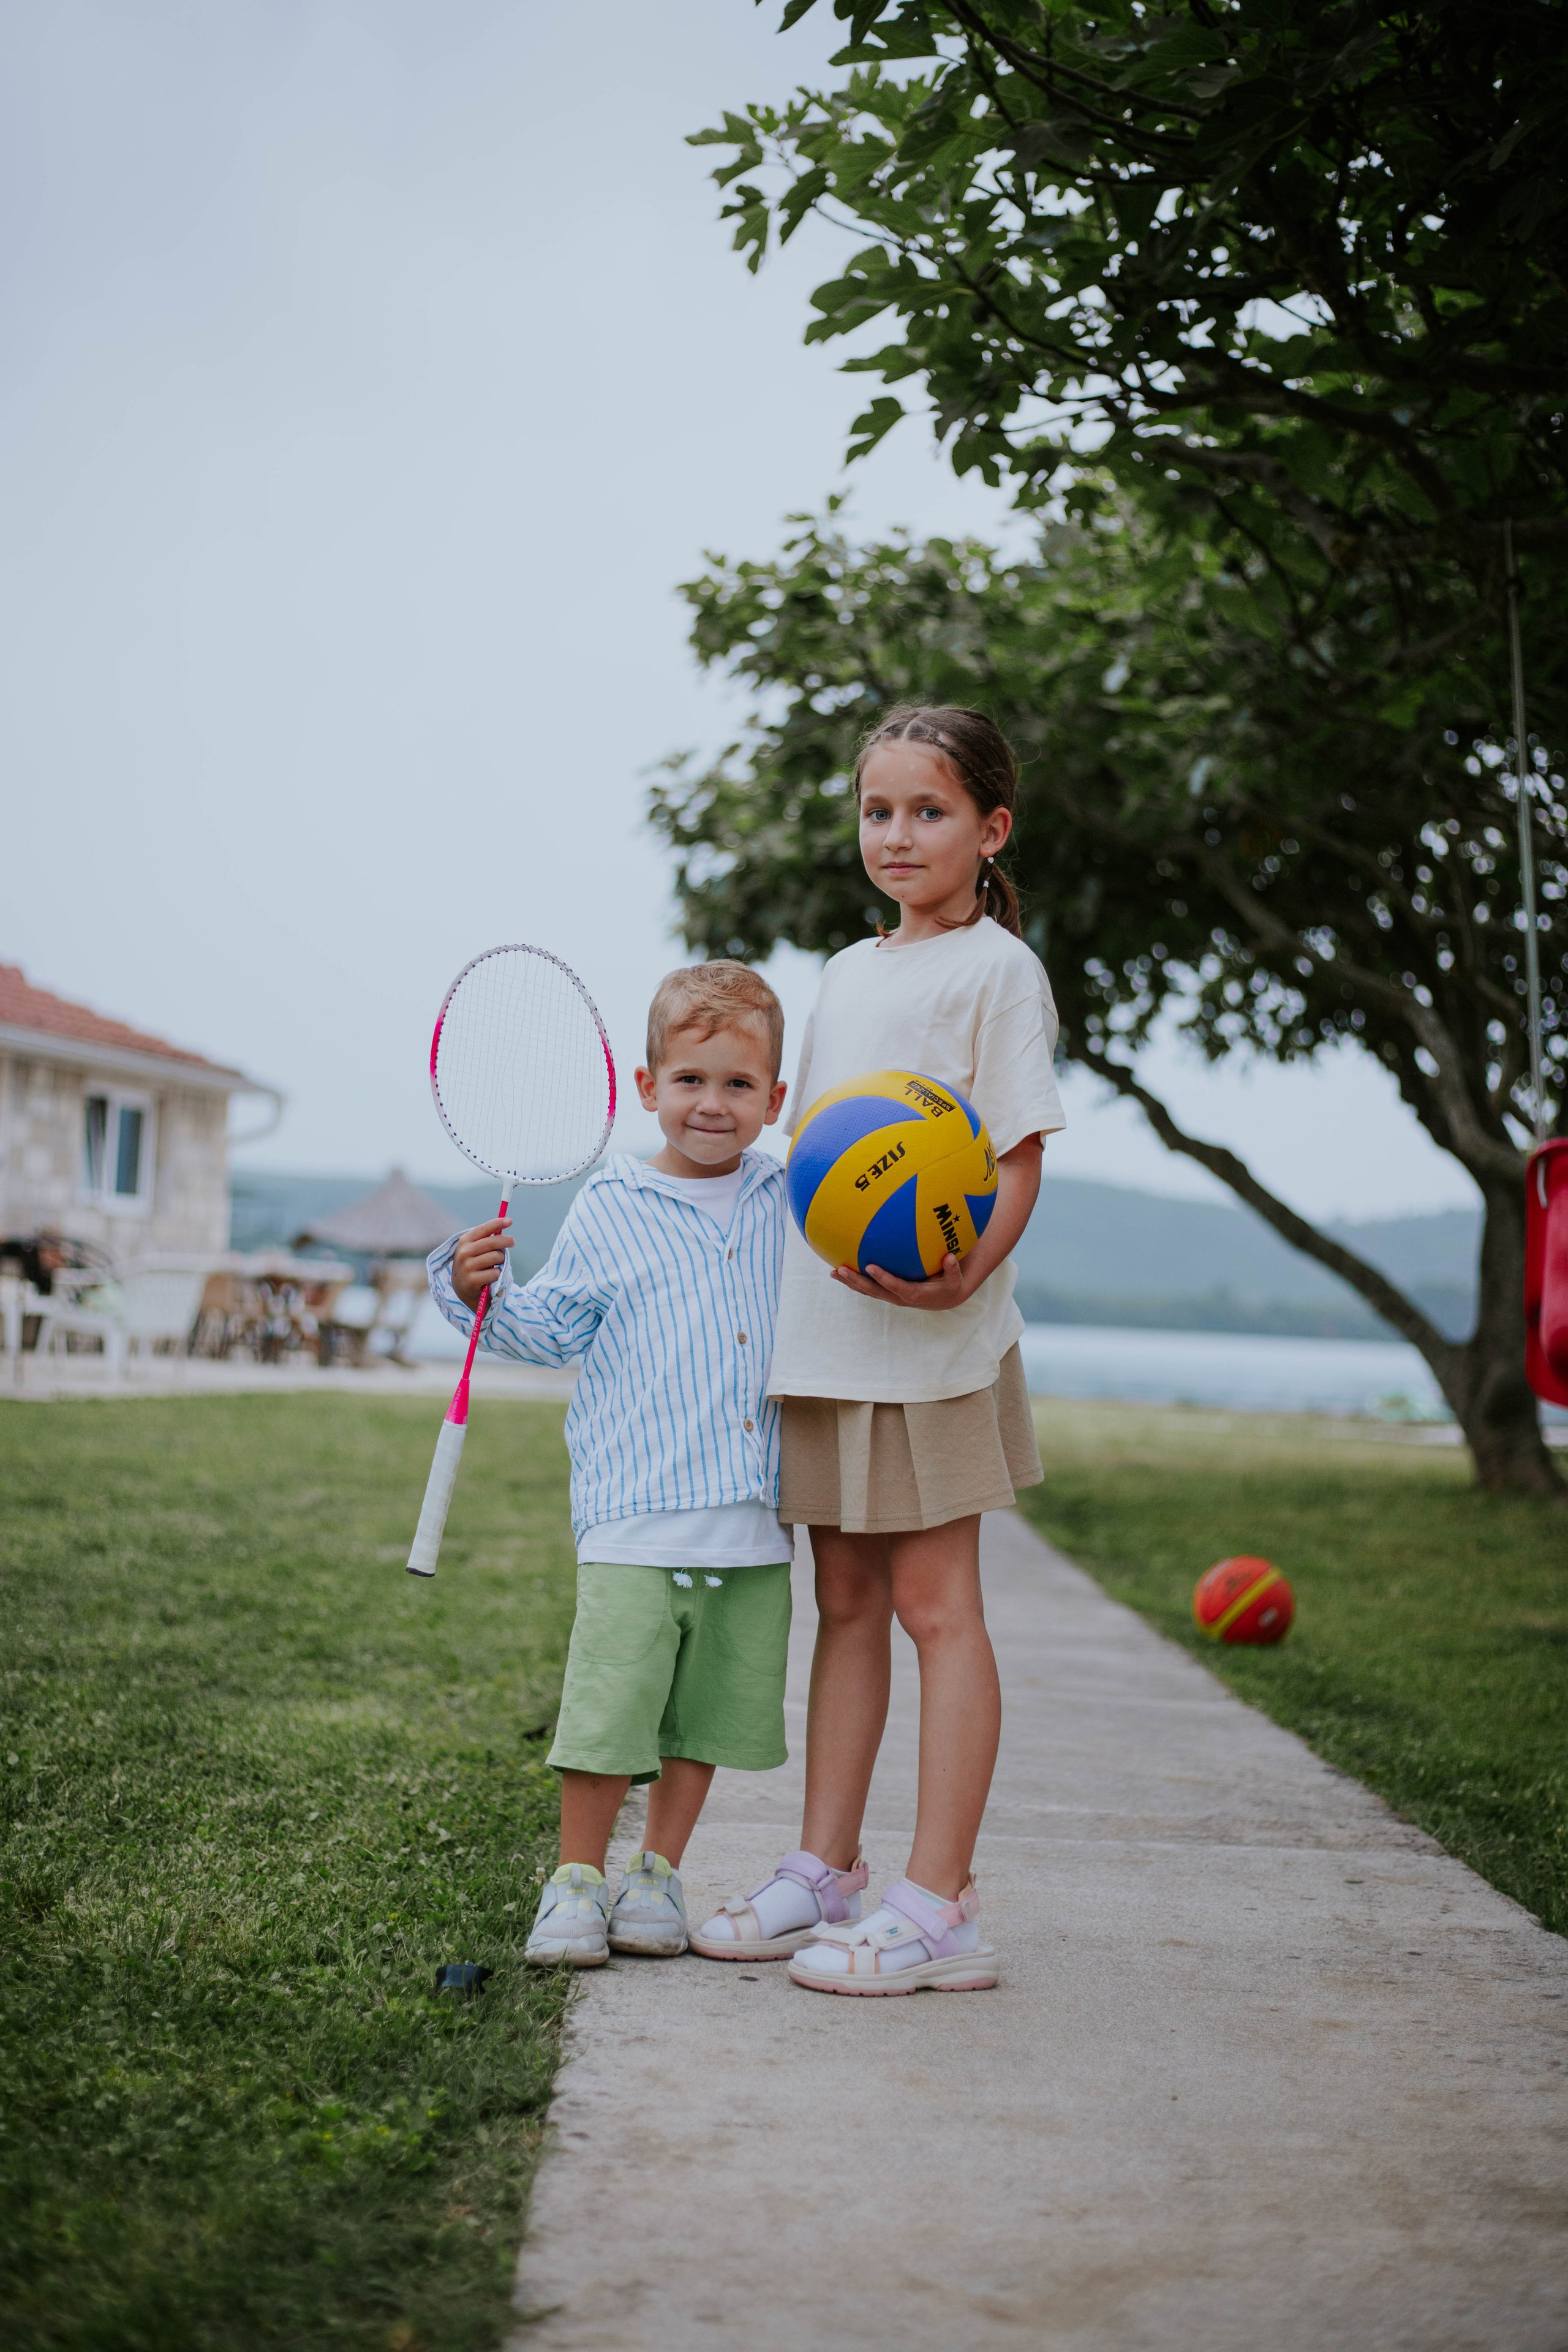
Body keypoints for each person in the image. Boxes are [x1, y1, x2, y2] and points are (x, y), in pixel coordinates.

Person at [691, 706, 1065, 1995]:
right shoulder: (846, 973)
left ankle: (939, 1901)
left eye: (927, 811)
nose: (896, 834)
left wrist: (962, 1268)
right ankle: (824, 1867)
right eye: (876, 811)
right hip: (825, 1335)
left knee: (932, 1609)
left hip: (933, 1342)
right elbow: (819, 1164)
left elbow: (1015, 1156)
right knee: (841, 1605)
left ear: (988, 829)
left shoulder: (995, 972)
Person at [428, 962, 791, 1967]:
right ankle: (576, 1881)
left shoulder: (789, 1196)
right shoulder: (613, 1202)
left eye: (737, 1085)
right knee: (609, 1711)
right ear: (646, 1087)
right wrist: (477, 1293)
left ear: (776, 1099)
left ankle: (657, 1876)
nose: (711, 1105)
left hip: (756, 1522)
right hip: (636, 1515)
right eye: (689, 1081)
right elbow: (552, 1332)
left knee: (700, 1718)